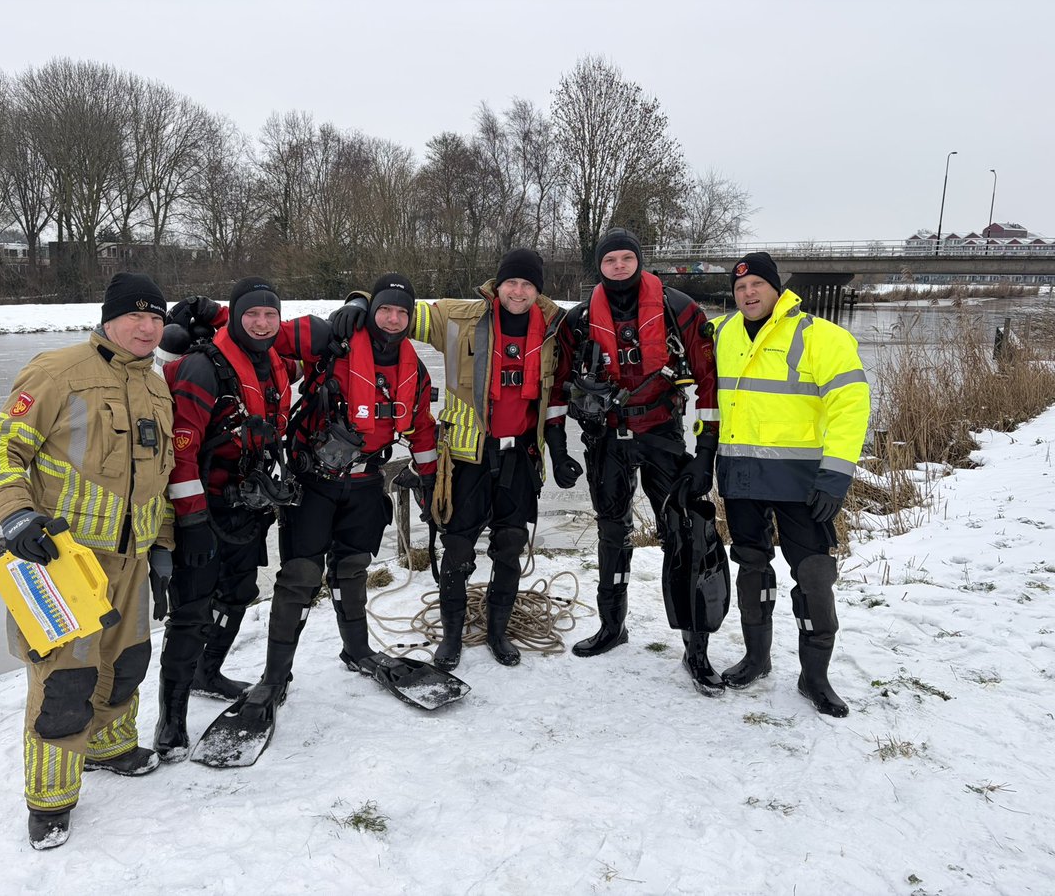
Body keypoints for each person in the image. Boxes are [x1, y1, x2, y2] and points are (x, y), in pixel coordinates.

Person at [0, 272, 174, 849]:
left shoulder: (157, 386)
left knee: (129, 661)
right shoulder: (58, 372)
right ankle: (51, 800)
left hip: (131, 558)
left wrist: (161, 546)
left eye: (156, 318)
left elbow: (153, 479)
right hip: (62, 560)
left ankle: (109, 747)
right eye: (136, 317)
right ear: (108, 319)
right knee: (65, 682)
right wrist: (16, 515)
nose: (147, 328)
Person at [331, 251, 578, 669]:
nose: (518, 292)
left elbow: (556, 393)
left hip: (520, 454)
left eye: (527, 285)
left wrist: (558, 451)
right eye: (511, 283)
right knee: (458, 549)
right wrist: (357, 302)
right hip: (466, 456)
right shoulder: (458, 317)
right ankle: (451, 638)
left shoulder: (554, 329)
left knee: (510, 545)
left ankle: (499, 633)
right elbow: (398, 310)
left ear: (538, 291)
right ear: (496, 286)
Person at [239, 274, 439, 717]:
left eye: (401, 312)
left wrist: (428, 480)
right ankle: (275, 677)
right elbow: (257, 331)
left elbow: (422, 428)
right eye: (384, 309)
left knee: (352, 568)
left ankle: (357, 651)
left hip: (367, 483)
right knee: (300, 576)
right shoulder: (333, 340)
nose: (392, 319)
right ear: (371, 311)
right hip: (315, 482)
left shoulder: (415, 370)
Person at [564, 228, 723, 695]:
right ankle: (613, 626)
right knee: (612, 532)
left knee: (682, 532)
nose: (617, 266)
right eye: (609, 260)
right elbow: (557, 384)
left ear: (639, 261)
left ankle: (697, 649)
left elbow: (710, 383)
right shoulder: (578, 320)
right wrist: (561, 435)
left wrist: (706, 452)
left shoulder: (680, 310)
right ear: (600, 265)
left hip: (661, 435)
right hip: (607, 439)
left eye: (625, 259)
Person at [714, 252, 870, 717]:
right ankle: (757, 659)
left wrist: (837, 474)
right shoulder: (720, 333)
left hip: (803, 481)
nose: (748, 294)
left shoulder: (821, 337)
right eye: (740, 288)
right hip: (740, 476)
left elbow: (851, 406)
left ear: (777, 289)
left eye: (757, 285)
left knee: (815, 577)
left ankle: (814, 676)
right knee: (752, 569)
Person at [154, 278, 296, 761]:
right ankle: (170, 720)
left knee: (239, 594)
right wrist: (191, 520)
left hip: (248, 507)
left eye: (269, 316)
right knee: (191, 612)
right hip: (205, 508)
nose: (261, 323)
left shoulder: (276, 363)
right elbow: (181, 450)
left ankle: (207, 672)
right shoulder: (202, 368)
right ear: (235, 317)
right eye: (252, 315)